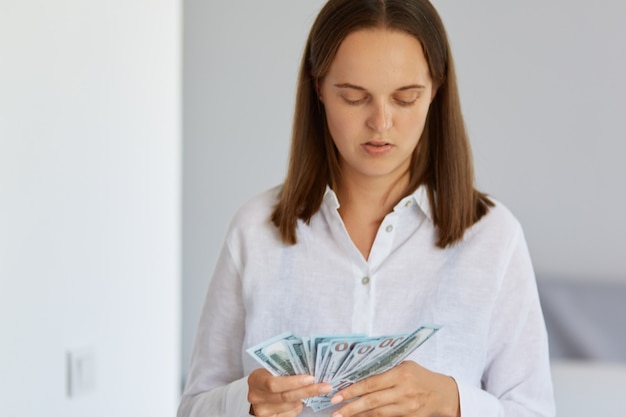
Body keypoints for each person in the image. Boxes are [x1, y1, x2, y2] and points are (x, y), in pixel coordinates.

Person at [178, 0, 556, 416]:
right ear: (319, 88)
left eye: (405, 98)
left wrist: (453, 402)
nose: (380, 122)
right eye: (355, 98)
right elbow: (193, 407)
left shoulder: (493, 237)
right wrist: (245, 403)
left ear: (436, 91)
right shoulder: (255, 231)